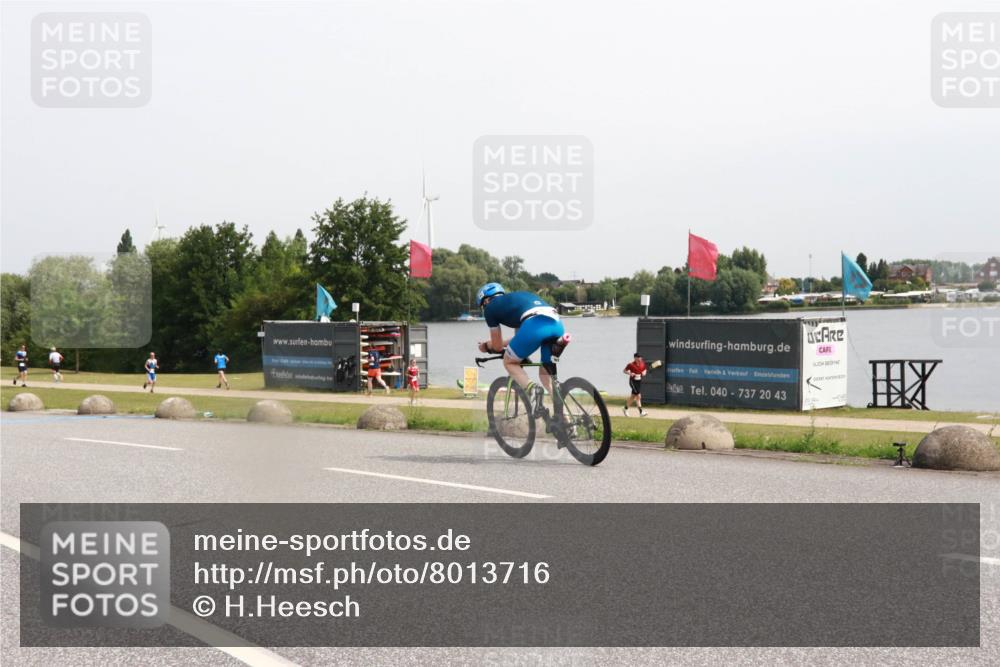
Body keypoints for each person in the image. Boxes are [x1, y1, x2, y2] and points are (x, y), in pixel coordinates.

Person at [476, 282, 566, 401]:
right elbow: (519, 339)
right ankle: (564, 417)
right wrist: (503, 344)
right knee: (546, 377)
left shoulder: (490, 309)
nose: (484, 309)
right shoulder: (516, 302)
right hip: (557, 325)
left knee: (509, 362)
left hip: (534, 325)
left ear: (486, 301)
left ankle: (532, 389)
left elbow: (497, 347)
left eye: (483, 306)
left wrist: (486, 346)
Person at [623, 352, 648, 417]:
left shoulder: (642, 363)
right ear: (635, 358)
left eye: (640, 357)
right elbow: (624, 371)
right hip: (632, 382)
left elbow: (645, 369)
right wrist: (630, 374)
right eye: (639, 357)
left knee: (633, 397)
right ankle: (641, 412)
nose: (640, 358)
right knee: (638, 396)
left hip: (639, 381)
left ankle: (625, 409)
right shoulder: (630, 365)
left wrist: (644, 373)